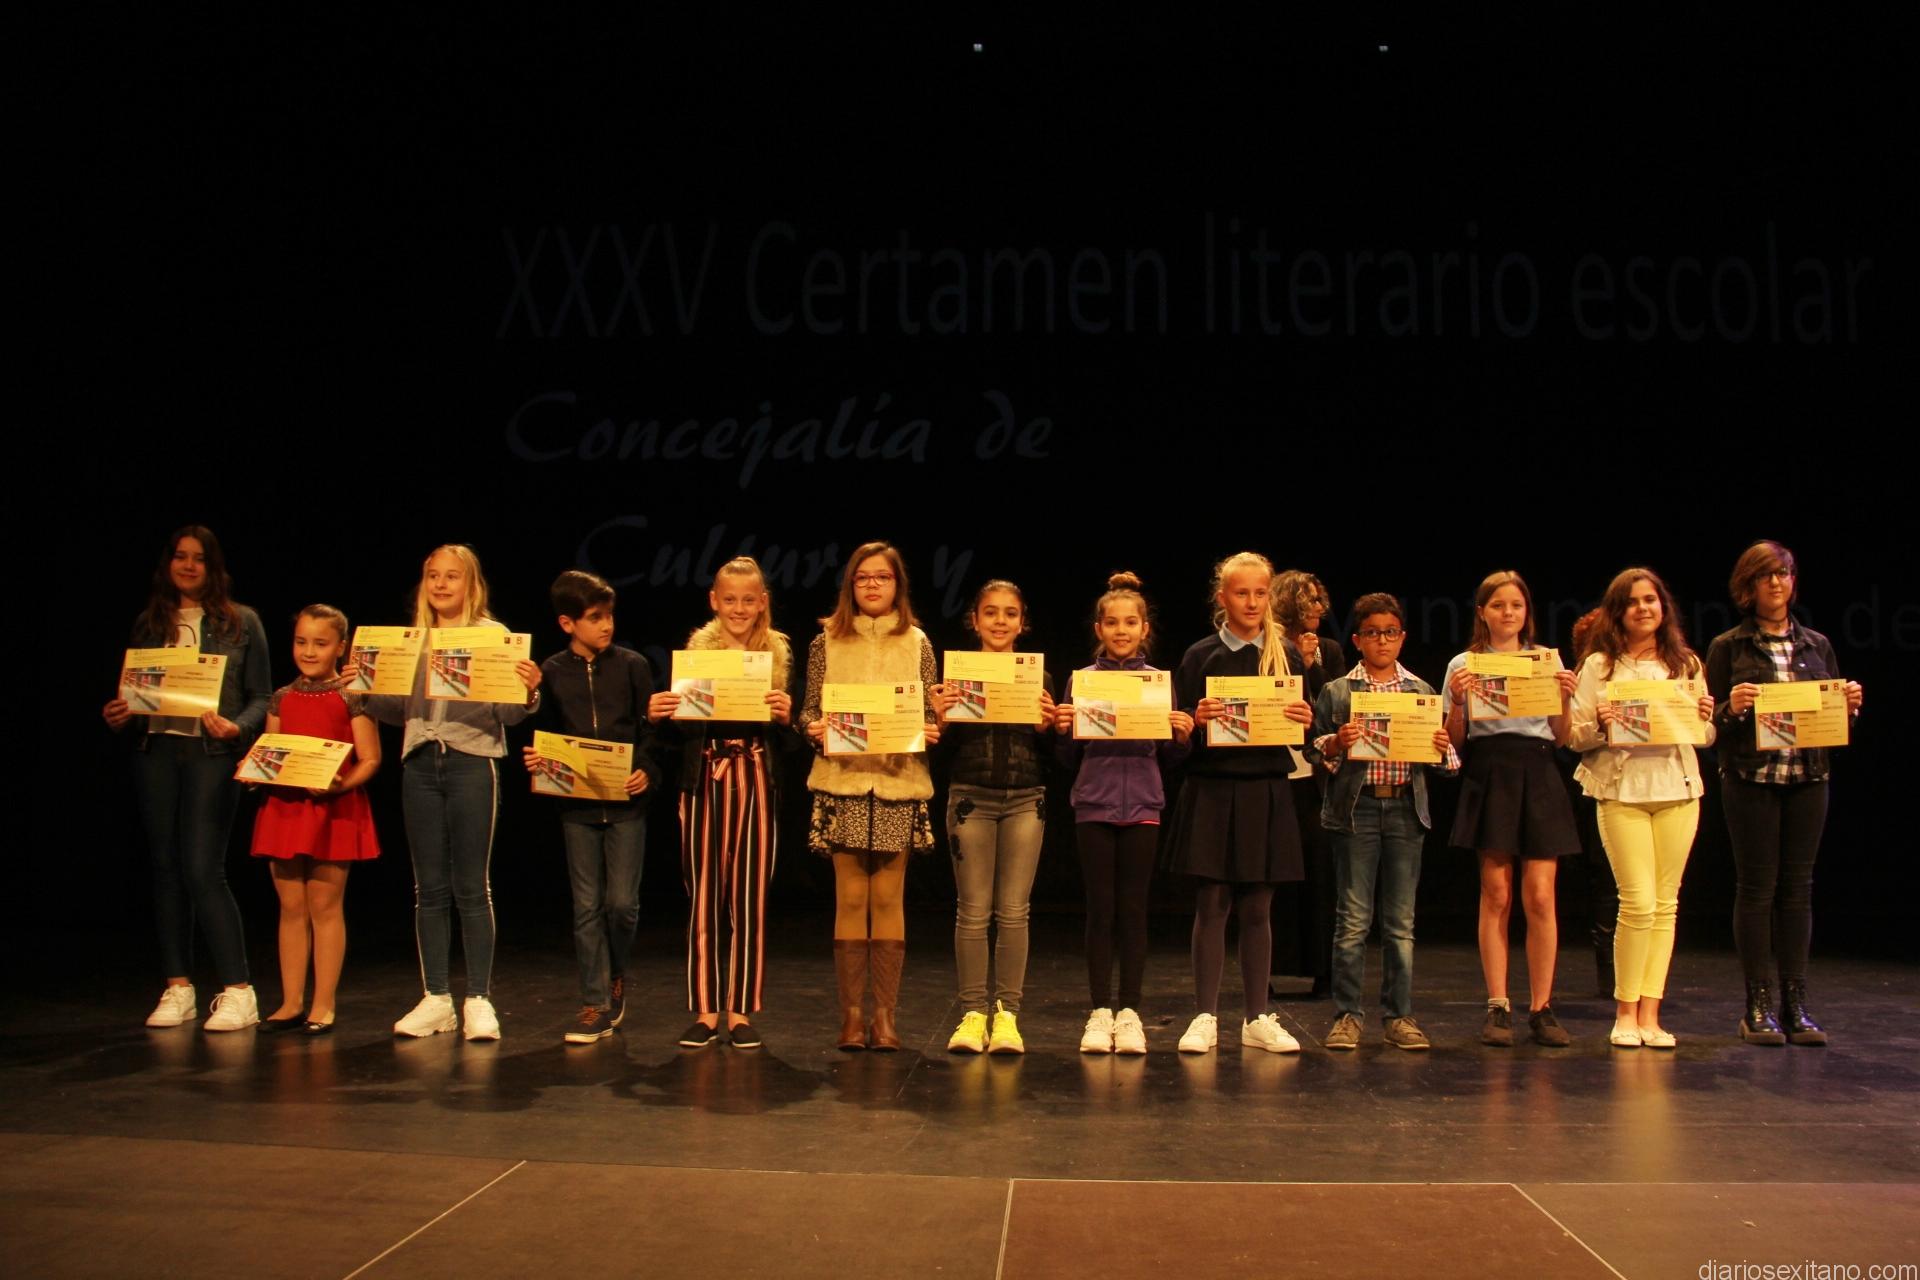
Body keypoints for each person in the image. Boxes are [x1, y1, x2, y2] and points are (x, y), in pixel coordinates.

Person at [368, 544, 540, 1040]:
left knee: (471, 885)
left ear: (471, 584)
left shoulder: (493, 636)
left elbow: (509, 714)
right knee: (428, 888)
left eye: (451, 576)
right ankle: (437, 997)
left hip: (472, 761)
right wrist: (361, 688)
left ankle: (478, 999)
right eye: (433, 576)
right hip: (420, 762)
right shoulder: (410, 639)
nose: (441, 584)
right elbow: (396, 709)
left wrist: (528, 691)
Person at [102, 526, 271, 1032]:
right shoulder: (149, 623)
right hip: (155, 752)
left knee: (202, 869)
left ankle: (238, 991)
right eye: (180, 556)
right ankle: (178, 988)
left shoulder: (241, 622)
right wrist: (120, 714)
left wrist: (237, 728)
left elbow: (261, 697)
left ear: (213, 567)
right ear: (168, 564)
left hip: (209, 754)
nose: (189, 566)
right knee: (166, 869)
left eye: (199, 558)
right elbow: (137, 692)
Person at [1703, 541, 1862, 1046]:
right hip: (1750, 780)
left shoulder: (1817, 645)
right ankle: (1758, 1005)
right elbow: (1707, 727)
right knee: (1756, 889)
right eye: (1766, 575)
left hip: (1808, 779)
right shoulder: (1728, 647)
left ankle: (1796, 1005)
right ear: (1748, 586)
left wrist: (1847, 708)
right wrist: (1731, 708)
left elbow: (1828, 720)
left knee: (1797, 890)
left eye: (1785, 573)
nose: (1777, 582)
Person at [798, 542, 942, 1052]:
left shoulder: (918, 642)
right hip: (845, 783)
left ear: (897, 585)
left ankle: (884, 1017)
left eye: (882, 577)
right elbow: (808, 710)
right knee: (851, 898)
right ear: (850, 586)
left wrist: (934, 725)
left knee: (887, 899)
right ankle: (851, 1017)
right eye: (863, 578)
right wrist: (813, 728)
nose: (873, 585)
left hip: (898, 783)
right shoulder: (826, 642)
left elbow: (930, 713)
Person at [648, 556, 797, 1050]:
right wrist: (662, 714)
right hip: (705, 778)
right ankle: (706, 1009)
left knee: (750, 896)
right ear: (714, 601)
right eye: (729, 599)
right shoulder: (697, 657)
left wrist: (786, 717)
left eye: (748, 600)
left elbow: (791, 741)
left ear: (762, 603)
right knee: (704, 895)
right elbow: (677, 736)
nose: (739, 608)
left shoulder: (776, 658)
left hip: (754, 776)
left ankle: (741, 1010)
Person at [1170, 551, 1314, 1055]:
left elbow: (1301, 733)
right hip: (1213, 789)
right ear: (1222, 597)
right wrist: (1195, 720)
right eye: (1241, 593)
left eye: (1259, 593)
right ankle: (1205, 1016)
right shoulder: (1200, 656)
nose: (1251, 602)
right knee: (1212, 903)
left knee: (1258, 906)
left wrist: (1305, 719)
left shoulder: (1287, 655)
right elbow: (1179, 737)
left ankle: (1256, 1016)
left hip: (1265, 788)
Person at [1567, 568, 1716, 1049]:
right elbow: (1574, 735)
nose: (1643, 608)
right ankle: (1625, 1012)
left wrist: (1706, 719)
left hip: (1677, 789)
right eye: (1632, 602)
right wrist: (1602, 723)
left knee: (1666, 904)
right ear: (1618, 612)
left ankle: (1651, 1014)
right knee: (1637, 902)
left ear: (1663, 607)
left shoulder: (1685, 663)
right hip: (1621, 790)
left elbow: (1702, 735)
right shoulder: (1599, 666)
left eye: (1650, 599)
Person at [1311, 593, 1460, 1052]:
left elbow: (1447, 765)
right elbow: (1314, 749)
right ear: (1357, 639)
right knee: (1353, 920)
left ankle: (1399, 1016)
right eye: (1372, 633)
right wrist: (1337, 742)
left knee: (1400, 924)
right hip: (1356, 810)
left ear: (1402, 638)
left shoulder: (1420, 692)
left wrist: (1441, 747)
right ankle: (1347, 1016)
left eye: (1390, 633)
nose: (1382, 640)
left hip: (1404, 811)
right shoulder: (1339, 691)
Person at [1054, 572, 1193, 1055]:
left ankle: (1129, 1011)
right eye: (1111, 622)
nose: (1120, 630)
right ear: (1099, 628)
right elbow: (1068, 758)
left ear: (1144, 628)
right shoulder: (1081, 681)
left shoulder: (1157, 683)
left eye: (1130, 622)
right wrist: (1064, 731)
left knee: (1133, 911)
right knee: (1100, 910)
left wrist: (1181, 737)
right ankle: (1099, 1012)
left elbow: (1170, 757)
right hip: (1094, 804)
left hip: (1143, 805)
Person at [1442, 571, 1582, 1048]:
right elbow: (1454, 741)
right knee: (1496, 892)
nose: (1508, 613)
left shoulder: (1545, 660)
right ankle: (1498, 1004)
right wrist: (1457, 701)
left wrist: (1565, 697)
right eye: (1498, 605)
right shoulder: (1465, 664)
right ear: (1482, 612)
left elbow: (1561, 738)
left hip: (1538, 769)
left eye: (1516, 605)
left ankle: (1542, 1007)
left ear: (1527, 612)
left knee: (1540, 896)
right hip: (1489, 769)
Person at [525, 570, 661, 1046]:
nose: (606, 625)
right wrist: (537, 759)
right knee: (586, 907)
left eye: (609, 616)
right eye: (595, 617)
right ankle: (594, 1001)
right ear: (568, 623)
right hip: (577, 808)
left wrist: (646, 769)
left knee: (621, 905)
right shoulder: (552, 671)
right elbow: (543, 733)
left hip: (626, 804)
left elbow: (650, 731)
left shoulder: (632, 665)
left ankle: (616, 973)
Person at [935, 580, 1056, 1056]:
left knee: (1013, 911)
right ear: (975, 620)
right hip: (971, 797)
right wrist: (941, 718)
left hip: (1025, 799)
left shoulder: (1039, 679)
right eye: (991, 612)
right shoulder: (957, 679)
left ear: (1022, 623)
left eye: (1010, 613)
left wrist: (1047, 726)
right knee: (972, 910)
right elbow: (938, 746)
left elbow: (1054, 750)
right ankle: (972, 1014)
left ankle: (1007, 1016)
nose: (1000, 621)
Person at [248, 604, 381, 1036]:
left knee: (324, 906)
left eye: (320, 643)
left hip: (332, 810)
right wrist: (257, 771)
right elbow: (272, 750)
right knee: (290, 907)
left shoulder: (352, 695)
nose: (308, 651)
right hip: (285, 807)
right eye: (301, 641)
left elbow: (370, 758)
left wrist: (339, 787)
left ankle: (323, 1005)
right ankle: (290, 1002)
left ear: (340, 647)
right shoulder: (281, 697)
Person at [1272, 570, 1342, 998]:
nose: (1318, 608)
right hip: (1275, 775)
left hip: (1314, 779)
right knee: (1273, 876)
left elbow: (1333, 707)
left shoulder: (1329, 650)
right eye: (1309, 600)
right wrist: (1293, 659)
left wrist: (1311, 664)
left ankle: (1323, 972)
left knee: (1320, 875)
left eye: (1319, 600)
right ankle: (1270, 970)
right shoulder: (1267, 650)